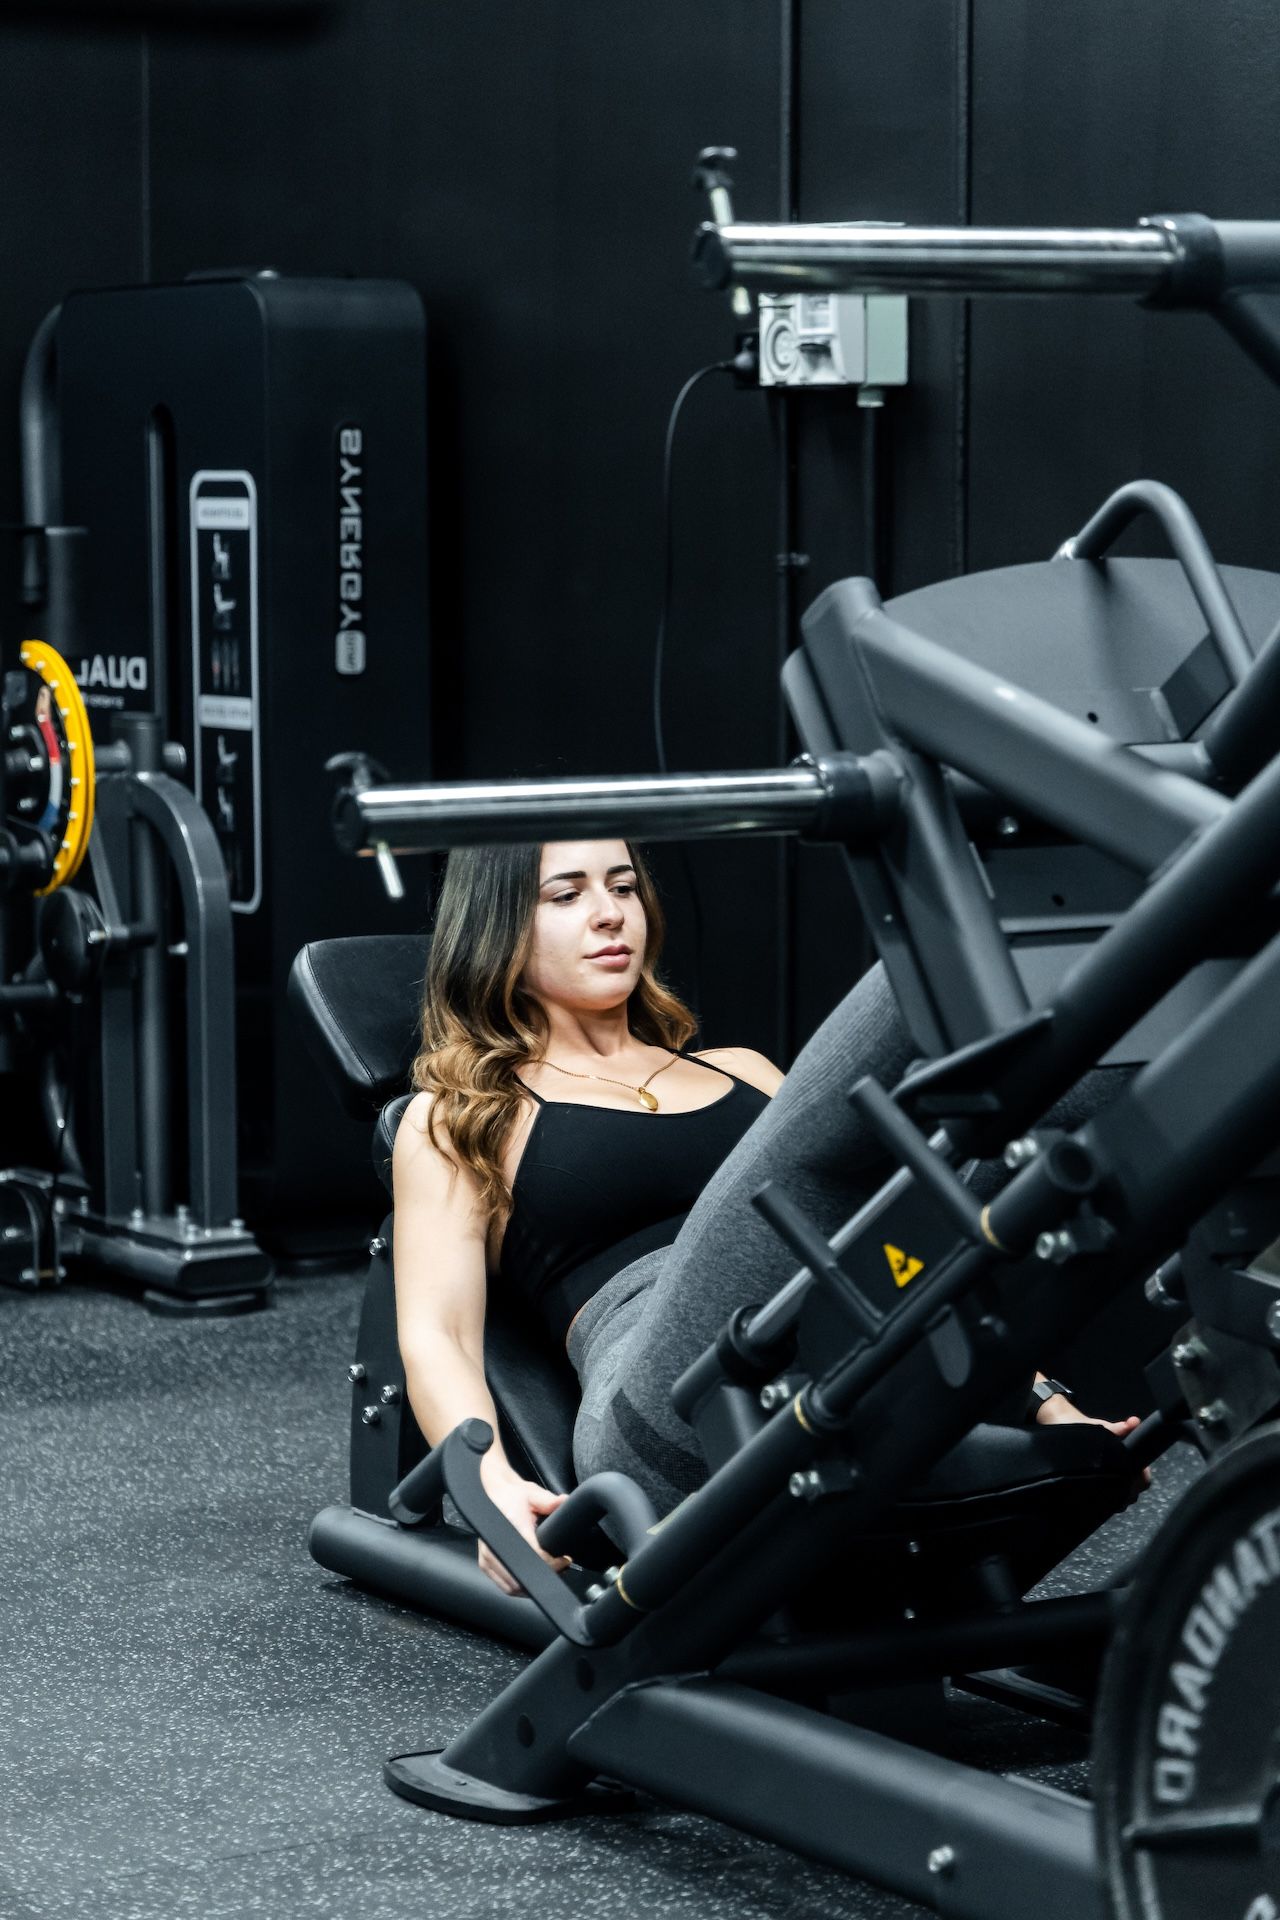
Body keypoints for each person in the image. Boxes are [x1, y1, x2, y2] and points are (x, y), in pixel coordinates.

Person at [393, 839, 1142, 1593]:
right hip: (668, 1421)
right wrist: (488, 1488)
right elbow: (438, 1334)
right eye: (566, 895)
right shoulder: (464, 1114)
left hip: (852, 1362)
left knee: (1002, 1149)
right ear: (496, 928)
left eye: (623, 887)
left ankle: (1158, 956)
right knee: (825, 1163)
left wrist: (1044, 1401)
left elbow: (919, 1233)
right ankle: (974, 918)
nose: (610, 913)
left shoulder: (740, 1069)